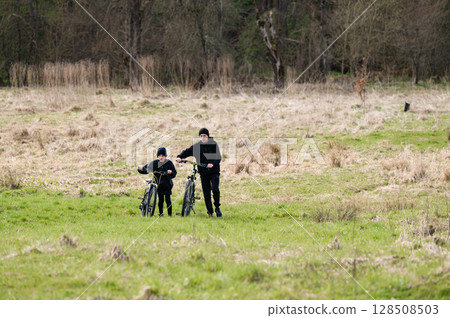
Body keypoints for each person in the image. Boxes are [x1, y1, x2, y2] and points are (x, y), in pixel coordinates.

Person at [176, 128, 222, 217]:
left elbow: (218, 157)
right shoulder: (197, 146)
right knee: (206, 193)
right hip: (203, 173)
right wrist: (179, 157)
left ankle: (217, 207)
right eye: (201, 136)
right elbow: (187, 151)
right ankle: (210, 211)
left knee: (215, 189)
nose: (203, 138)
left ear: (208, 136)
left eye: (204, 136)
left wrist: (212, 164)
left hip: (214, 172)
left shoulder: (214, 144)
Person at [138, 147, 177, 216]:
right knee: (160, 200)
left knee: (168, 200)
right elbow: (147, 168)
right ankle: (161, 213)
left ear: (165, 156)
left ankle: (169, 214)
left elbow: (174, 173)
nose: (161, 157)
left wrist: (171, 172)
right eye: (159, 156)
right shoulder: (155, 163)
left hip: (167, 185)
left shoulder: (169, 163)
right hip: (159, 185)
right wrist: (141, 169)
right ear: (157, 156)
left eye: (162, 156)